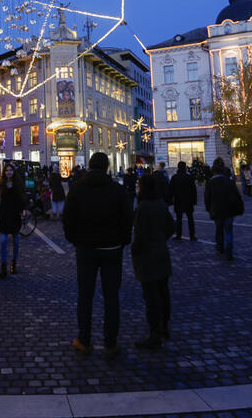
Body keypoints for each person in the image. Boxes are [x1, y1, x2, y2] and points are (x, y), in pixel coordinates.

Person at [62, 152, 133, 357]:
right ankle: (110, 343)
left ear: (89, 167)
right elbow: (128, 219)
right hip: (112, 249)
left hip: (85, 249)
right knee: (111, 297)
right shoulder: (117, 190)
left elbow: (68, 218)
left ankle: (84, 340)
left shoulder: (77, 190)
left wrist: (74, 239)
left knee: (85, 295)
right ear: (107, 167)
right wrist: (122, 240)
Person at [131, 173, 176, 349]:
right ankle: (164, 325)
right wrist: (161, 238)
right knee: (163, 292)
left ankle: (154, 333)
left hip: (147, 256)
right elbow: (171, 227)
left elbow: (139, 234)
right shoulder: (160, 204)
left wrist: (136, 249)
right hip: (161, 252)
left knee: (151, 296)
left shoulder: (142, 207)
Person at [205, 158, 244, 261]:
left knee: (219, 229)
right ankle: (229, 251)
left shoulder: (210, 182)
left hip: (217, 210)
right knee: (229, 231)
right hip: (229, 210)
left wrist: (209, 209)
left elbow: (207, 198)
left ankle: (220, 247)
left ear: (213, 172)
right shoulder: (229, 181)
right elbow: (237, 195)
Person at [0, 163, 28, 278]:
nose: (9, 172)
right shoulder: (0, 185)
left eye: (11, 170)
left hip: (15, 217)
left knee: (16, 242)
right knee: (3, 241)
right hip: (4, 217)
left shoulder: (18, 184)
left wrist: (23, 210)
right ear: (4, 172)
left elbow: (23, 199)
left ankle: (14, 263)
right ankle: (3, 267)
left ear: (13, 172)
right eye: (7, 170)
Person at [168, 161, 197, 241]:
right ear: (185, 168)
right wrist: (194, 201)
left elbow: (171, 190)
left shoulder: (174, 177)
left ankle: (178, 235)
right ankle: (192, 235)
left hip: (178, 201)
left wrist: (171, 200)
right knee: (190, 219)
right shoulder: (189, 177)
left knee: (179, 219)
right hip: (188, 201)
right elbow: (193, 190)